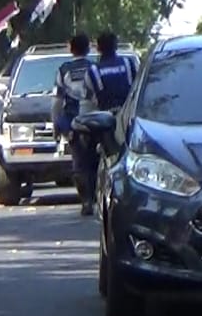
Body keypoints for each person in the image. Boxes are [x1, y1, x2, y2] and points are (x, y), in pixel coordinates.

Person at [79, 33, 138, 215]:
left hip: (106, 122)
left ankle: (88, 200)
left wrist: (83, 127)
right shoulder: (130, 65)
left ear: (98, 48)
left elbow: (87, 104)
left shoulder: (93, 72)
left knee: (88, 158)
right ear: (116, 46)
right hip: (131, 121)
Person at [53, 34, 94, 210]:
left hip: (73, 121)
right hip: (94, 119)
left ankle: (85, 199)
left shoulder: (63, 70)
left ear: (71, 48)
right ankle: (94, 197)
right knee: (94, 159)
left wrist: (57, 123)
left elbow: (57, 102)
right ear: (89, 48)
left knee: (78, 161)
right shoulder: (95, 67)